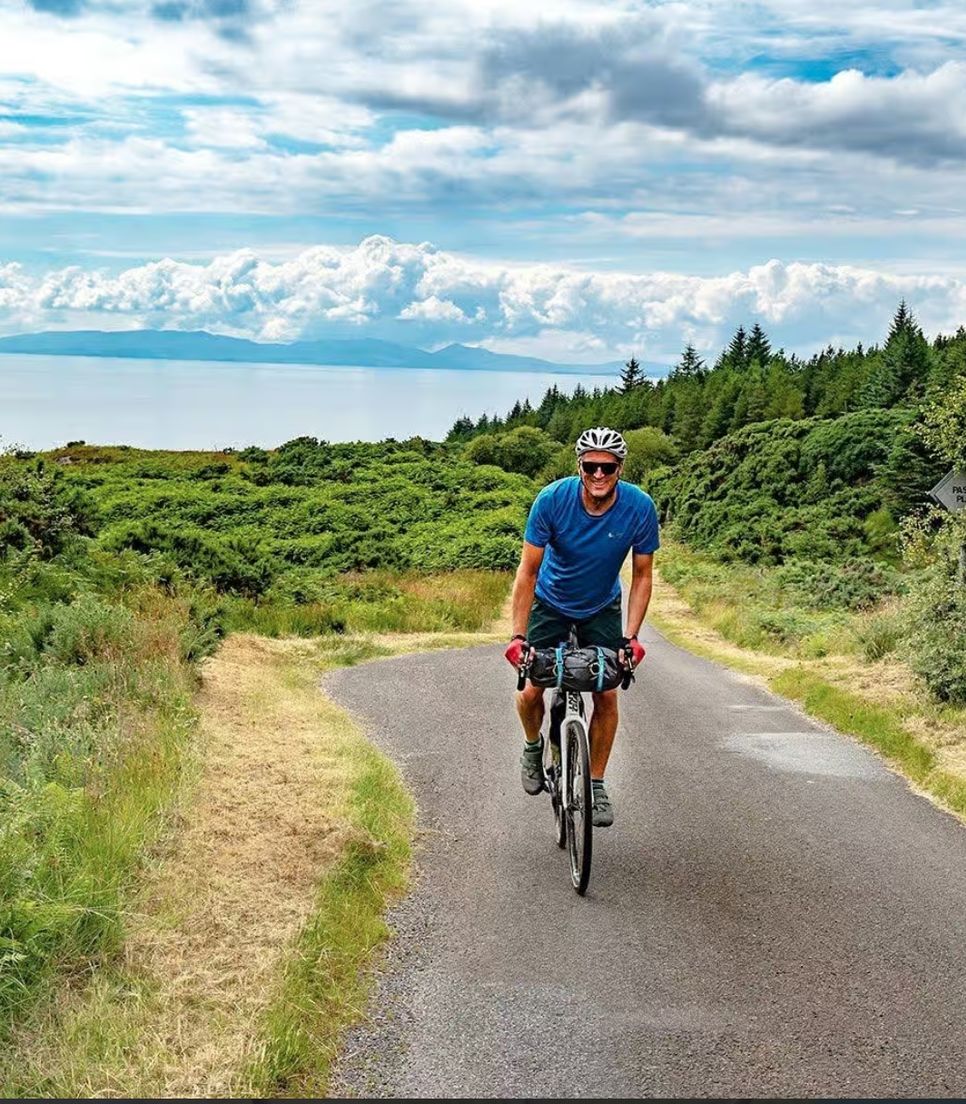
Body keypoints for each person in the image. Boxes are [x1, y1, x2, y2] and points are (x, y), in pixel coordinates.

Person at [503, 426, 659, 827]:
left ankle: (595, 783)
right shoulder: (552, 500)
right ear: (580, 466)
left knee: (607, 695)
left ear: (620, 467)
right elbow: (528, 571)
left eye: (608, 467)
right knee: (530, 688)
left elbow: (642, 575)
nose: (599, 474)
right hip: (551, 602)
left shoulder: (639, 507)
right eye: (591, 466)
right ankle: (534, 746)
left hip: (601, 606)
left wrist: (632, 638)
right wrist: (518, 637)